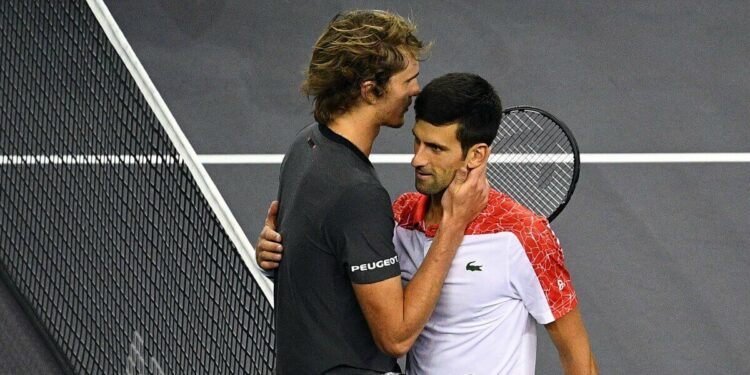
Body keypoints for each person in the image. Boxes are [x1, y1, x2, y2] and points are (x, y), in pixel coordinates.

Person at [258, 73, 598, 374]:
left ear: (476, 155)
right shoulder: (402, 218)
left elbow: (577, 355)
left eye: (436, 148)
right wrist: (277, 255)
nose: (417, 159)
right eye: (417, 141)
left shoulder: (522, 236)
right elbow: (344, 291)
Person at [257, 11, 489, 374]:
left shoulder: (305, 145)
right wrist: (454, 225)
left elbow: (315, 252)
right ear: (370, 90)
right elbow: (395, 337)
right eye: (408, 80)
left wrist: (277, 257)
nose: (416, 90)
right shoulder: (358, 195)